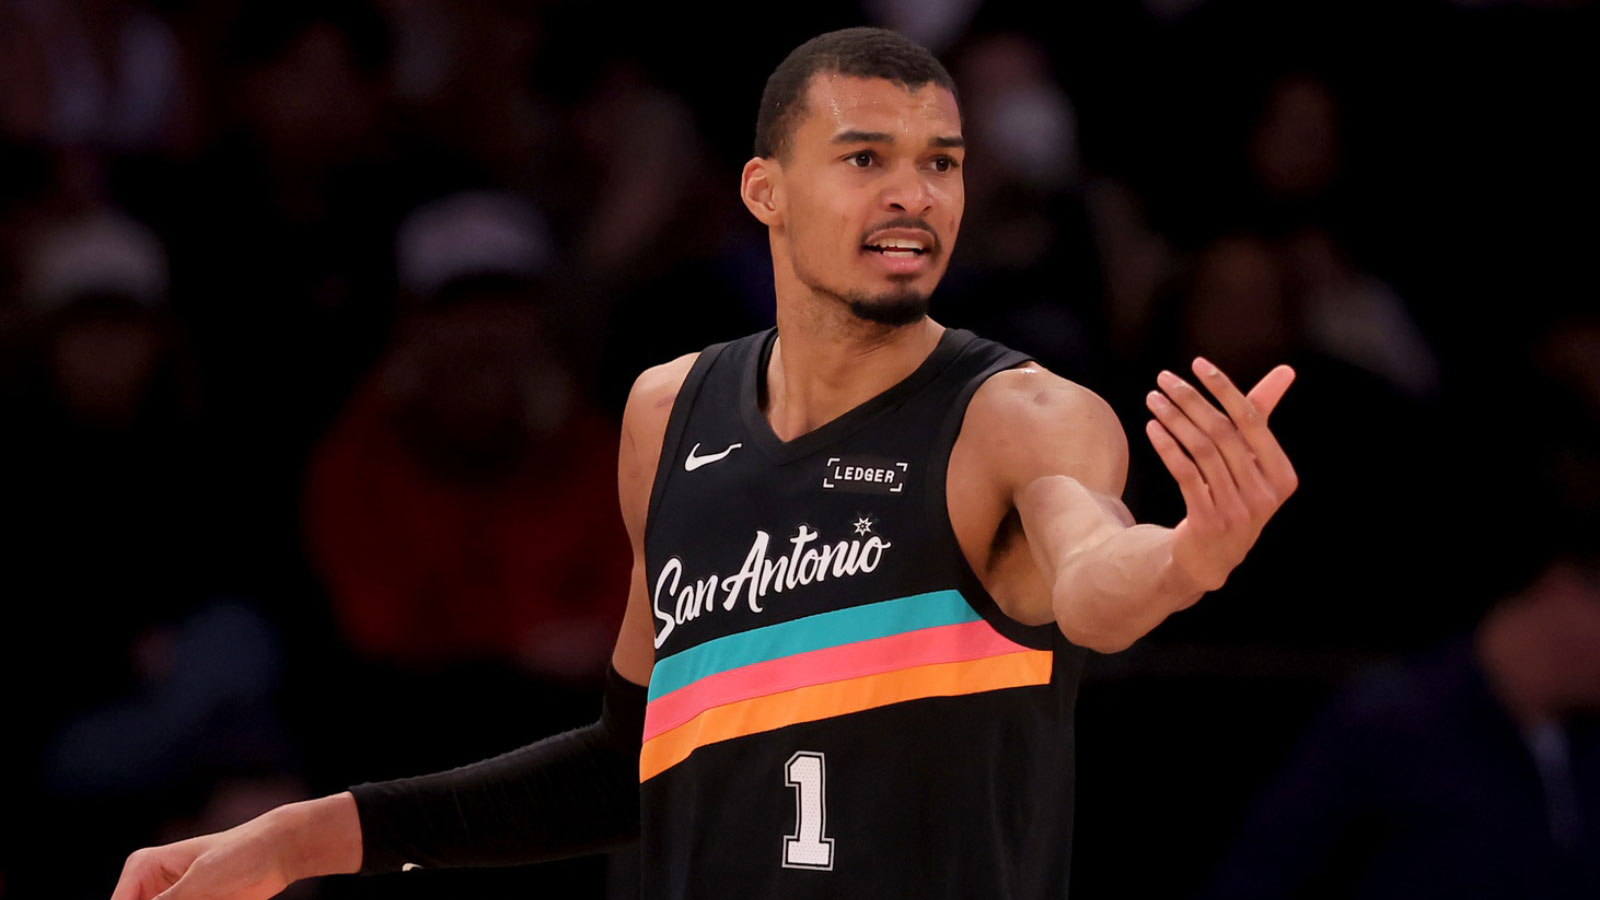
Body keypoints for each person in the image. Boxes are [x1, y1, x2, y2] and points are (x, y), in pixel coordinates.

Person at [109, 27, 1299, 900]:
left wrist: (1184, 558)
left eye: (940, 162)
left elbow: (1093, 577)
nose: (912, 194)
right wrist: (302, 837)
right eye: (866, 158)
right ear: (763, 192)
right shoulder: (665, 411)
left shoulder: (1020, 414)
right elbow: (628, 764)